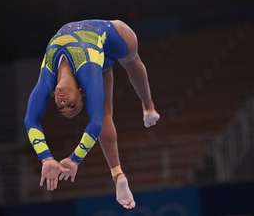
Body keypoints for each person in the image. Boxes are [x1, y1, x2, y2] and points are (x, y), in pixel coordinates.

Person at [24, 19, 160, 209]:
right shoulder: (88, 71)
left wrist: (46, 157)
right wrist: (71, 160)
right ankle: (118, 176)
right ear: (81, 91)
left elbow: (30, 119)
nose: (63, 103)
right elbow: (95, 123)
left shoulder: (48, 78)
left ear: (54, 94)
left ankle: (148, 106)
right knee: (105, 114)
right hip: (108, 42)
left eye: (61, 106)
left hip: (109, 34)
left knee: (132, 59)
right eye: (71, 105)